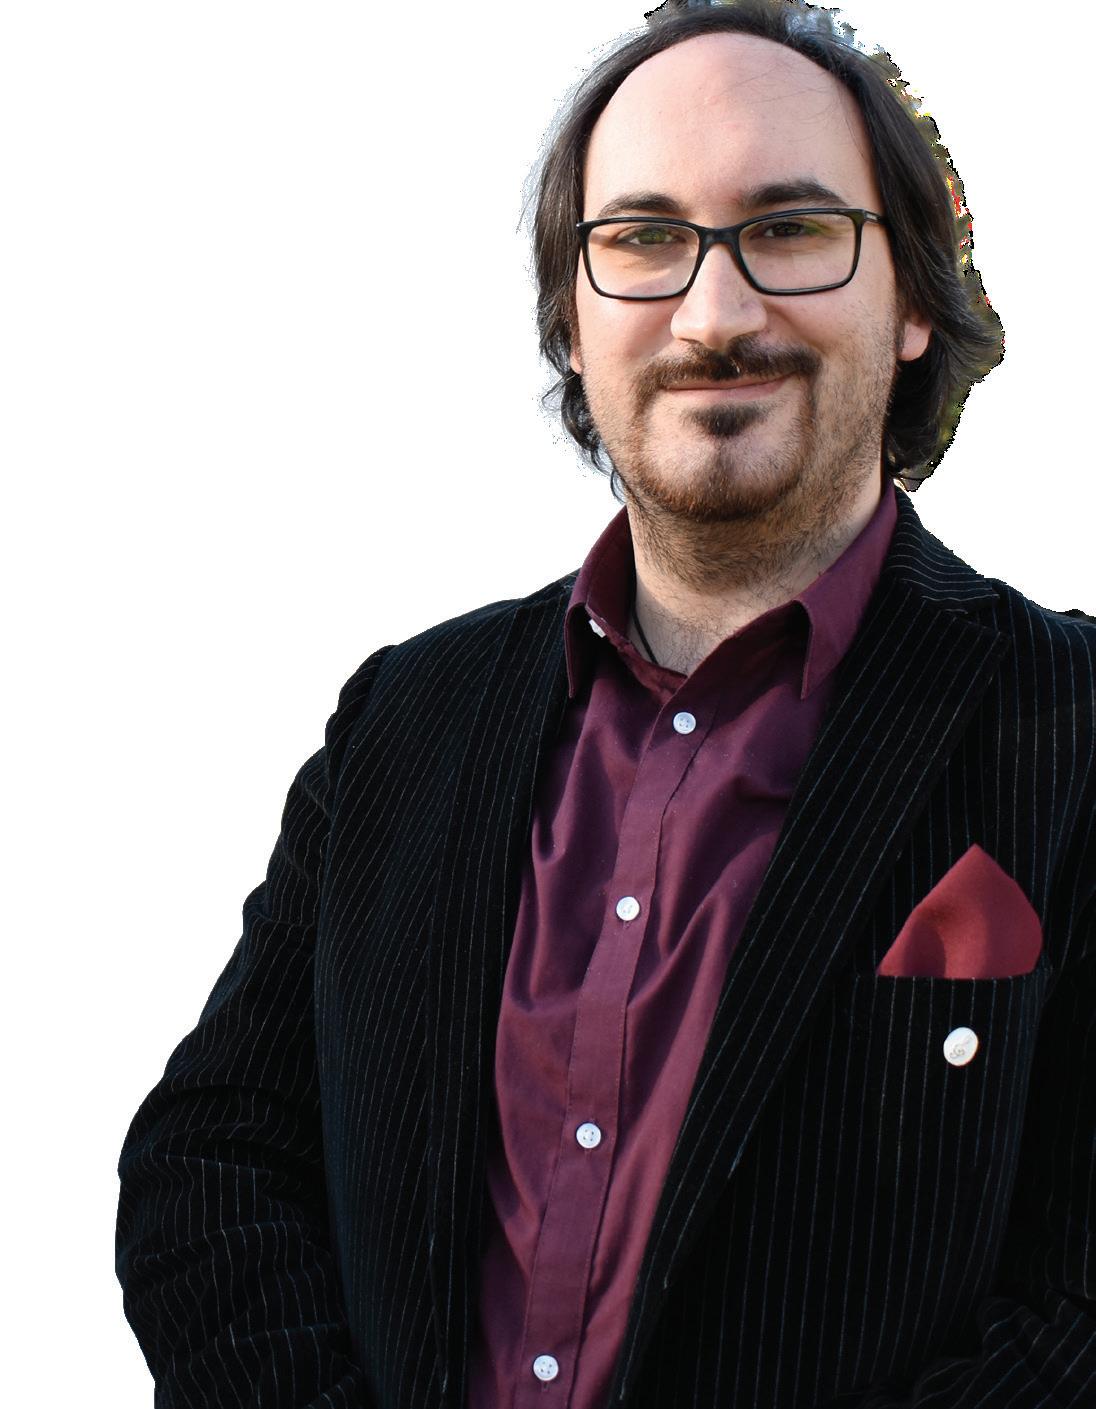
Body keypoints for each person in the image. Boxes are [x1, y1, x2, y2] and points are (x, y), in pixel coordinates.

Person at [114, 1, 1096, 1406]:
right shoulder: (402, 722)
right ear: (571, 322)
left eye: (792, 228)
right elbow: (211, 1161)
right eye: (640, 240)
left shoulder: (1076, 730)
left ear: (917, 300)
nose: (715, 314)